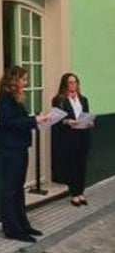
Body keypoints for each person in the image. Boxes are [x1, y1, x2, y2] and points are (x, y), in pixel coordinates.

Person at [0, 66, 50, 243]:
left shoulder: (15, 98)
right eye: (23, 79)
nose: (26, 83)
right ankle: (12, 229)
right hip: (10, 149)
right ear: (14, 79)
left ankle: (23, 225)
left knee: (19, 188)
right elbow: (8, 122)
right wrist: (34, 120)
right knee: (10, 190)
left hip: (19, 147)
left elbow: (19, 119)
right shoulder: (4, 97)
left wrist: (35, 117)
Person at [51, 72, 94, 206]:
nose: (73, 84)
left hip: (83, 135)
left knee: (82, 165)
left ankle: (81, 192)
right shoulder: (59, 100)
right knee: (71, 165)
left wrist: (90, 123)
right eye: (70, 82)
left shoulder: (83, 99)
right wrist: (67, 121)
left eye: (75, 82)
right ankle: (74, 194)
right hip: (68, 137)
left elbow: (86, 115)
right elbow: (56, 120)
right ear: (65, 84)